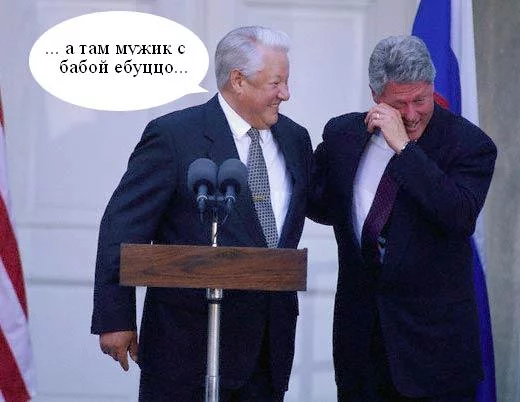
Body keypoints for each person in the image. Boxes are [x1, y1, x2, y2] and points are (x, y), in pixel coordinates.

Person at [91, 26, 313, 402]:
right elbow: (123, 226)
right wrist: (116, 317)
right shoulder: (175, 136)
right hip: (185, 349)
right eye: (276, 83)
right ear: (238, 80)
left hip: (266, 351)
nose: (286, 94)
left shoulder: (295, 139)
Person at [308, 35, 497, 401]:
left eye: (420, 100)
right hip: (361, 349)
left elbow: (458, 216)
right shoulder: (344, 135)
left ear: (432, 88)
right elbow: (319, 202)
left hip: (435, 355)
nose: (411, 115)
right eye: (399, 104)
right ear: (375, 96)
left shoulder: (469, 145)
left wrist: (405, 149)